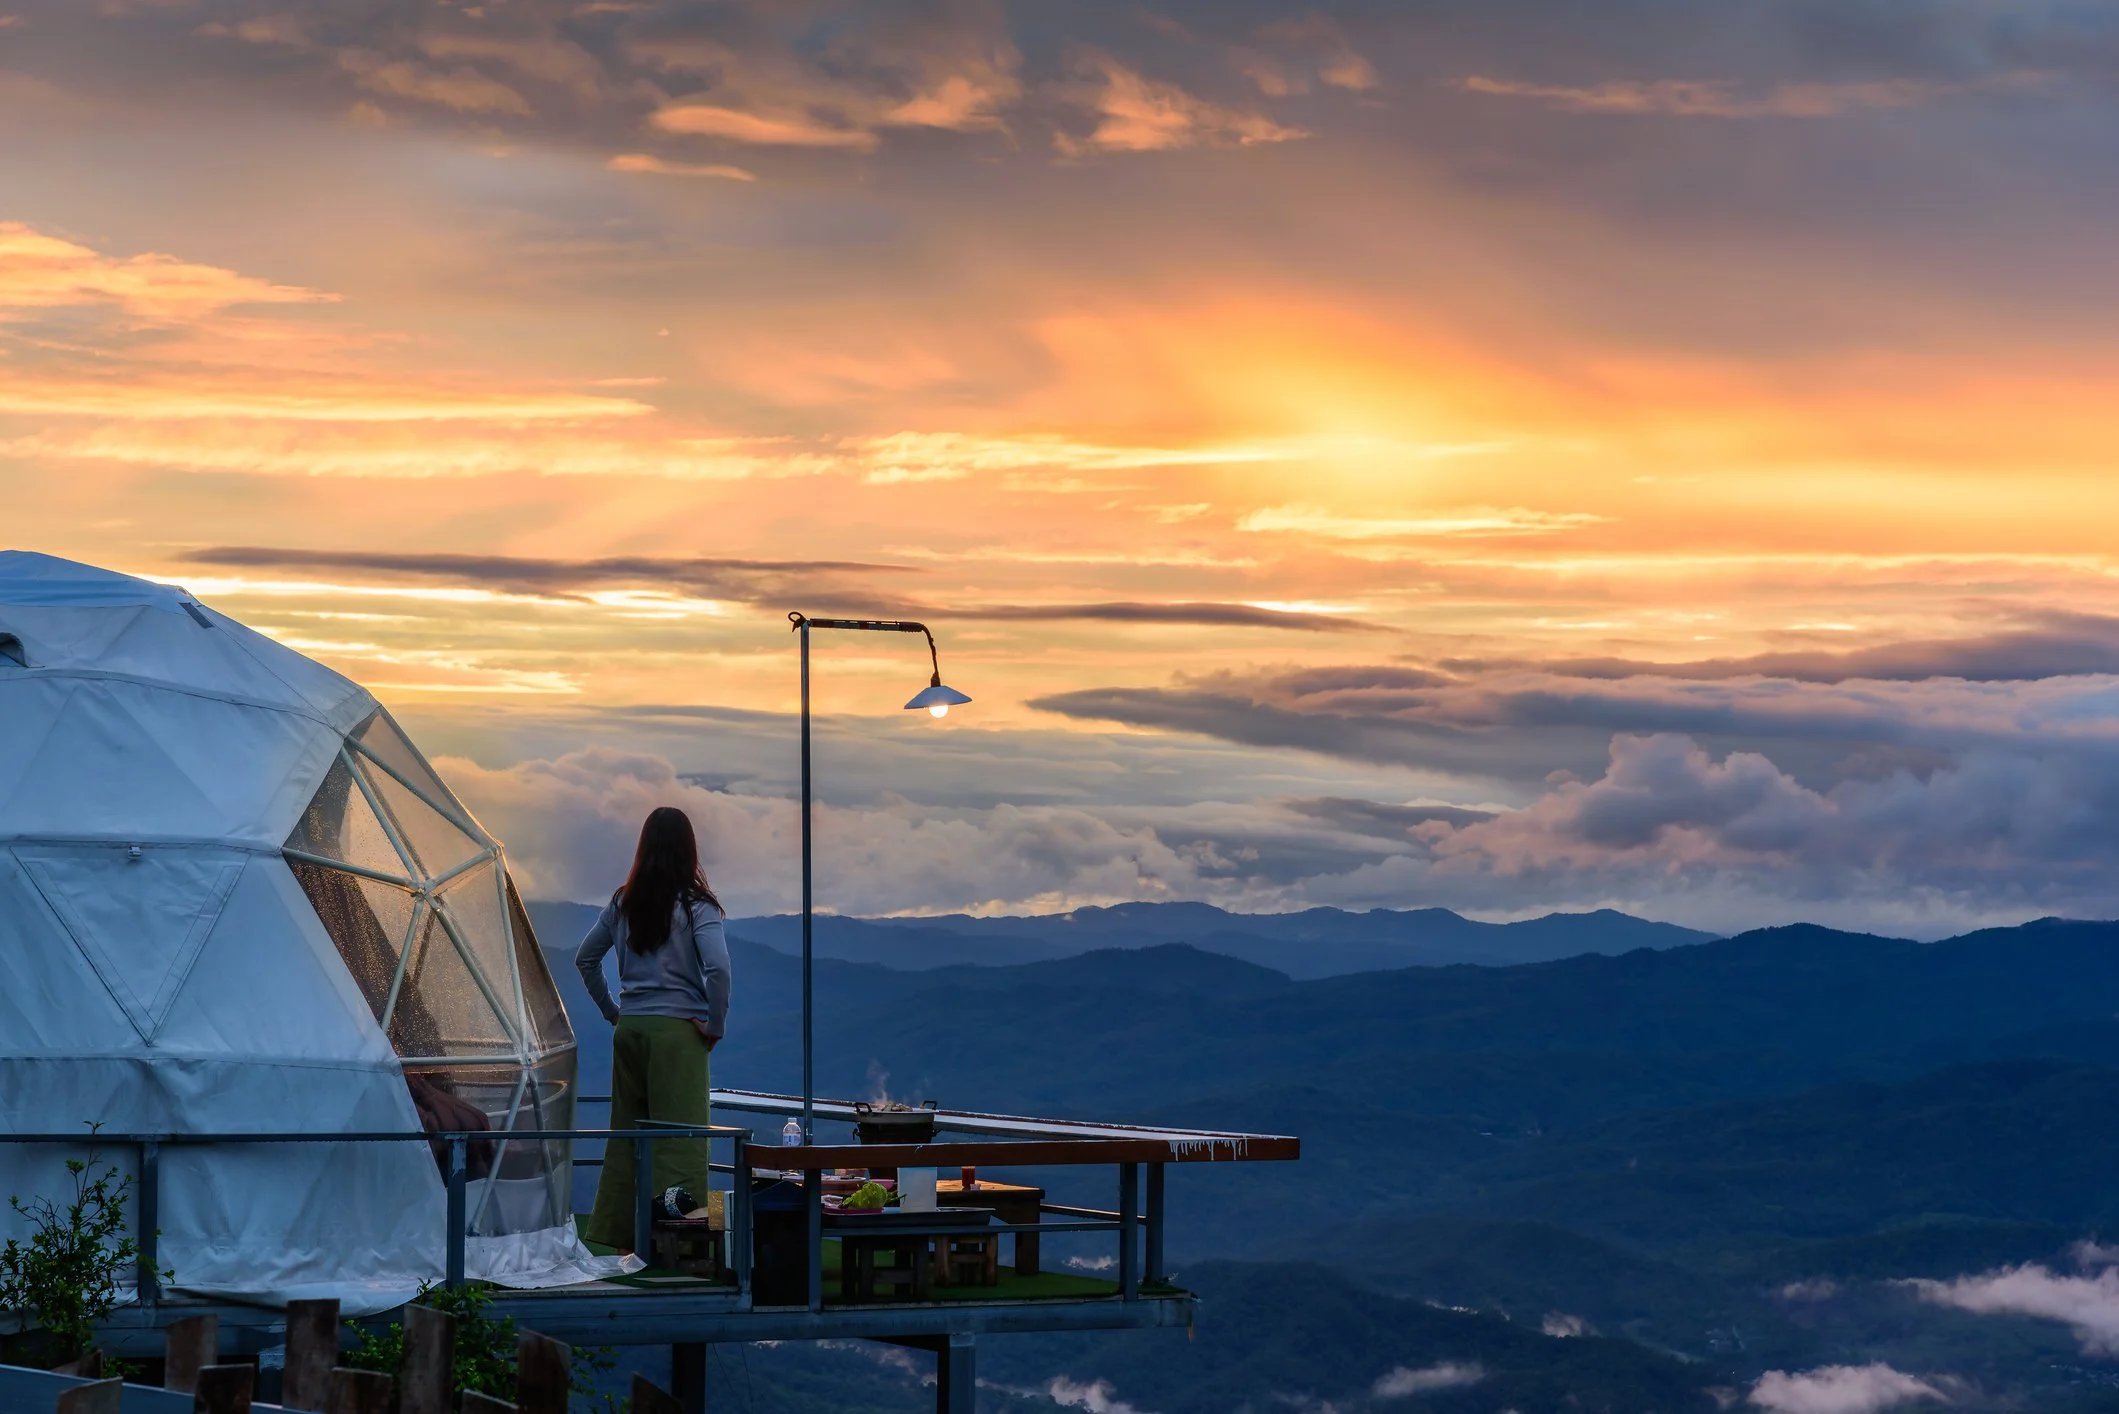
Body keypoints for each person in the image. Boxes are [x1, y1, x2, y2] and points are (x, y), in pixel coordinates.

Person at [575, 806, 732, 1252]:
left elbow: (585, 959)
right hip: (678, 1033)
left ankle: (619, 1240)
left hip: (631, 1030)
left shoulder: (622, 902)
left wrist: (613, 1013)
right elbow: (718, 967)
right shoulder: (698, 907)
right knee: (681, 1141)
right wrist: (714, 1024)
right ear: (689, 851)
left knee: (628, 1135)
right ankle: (680, 1247)